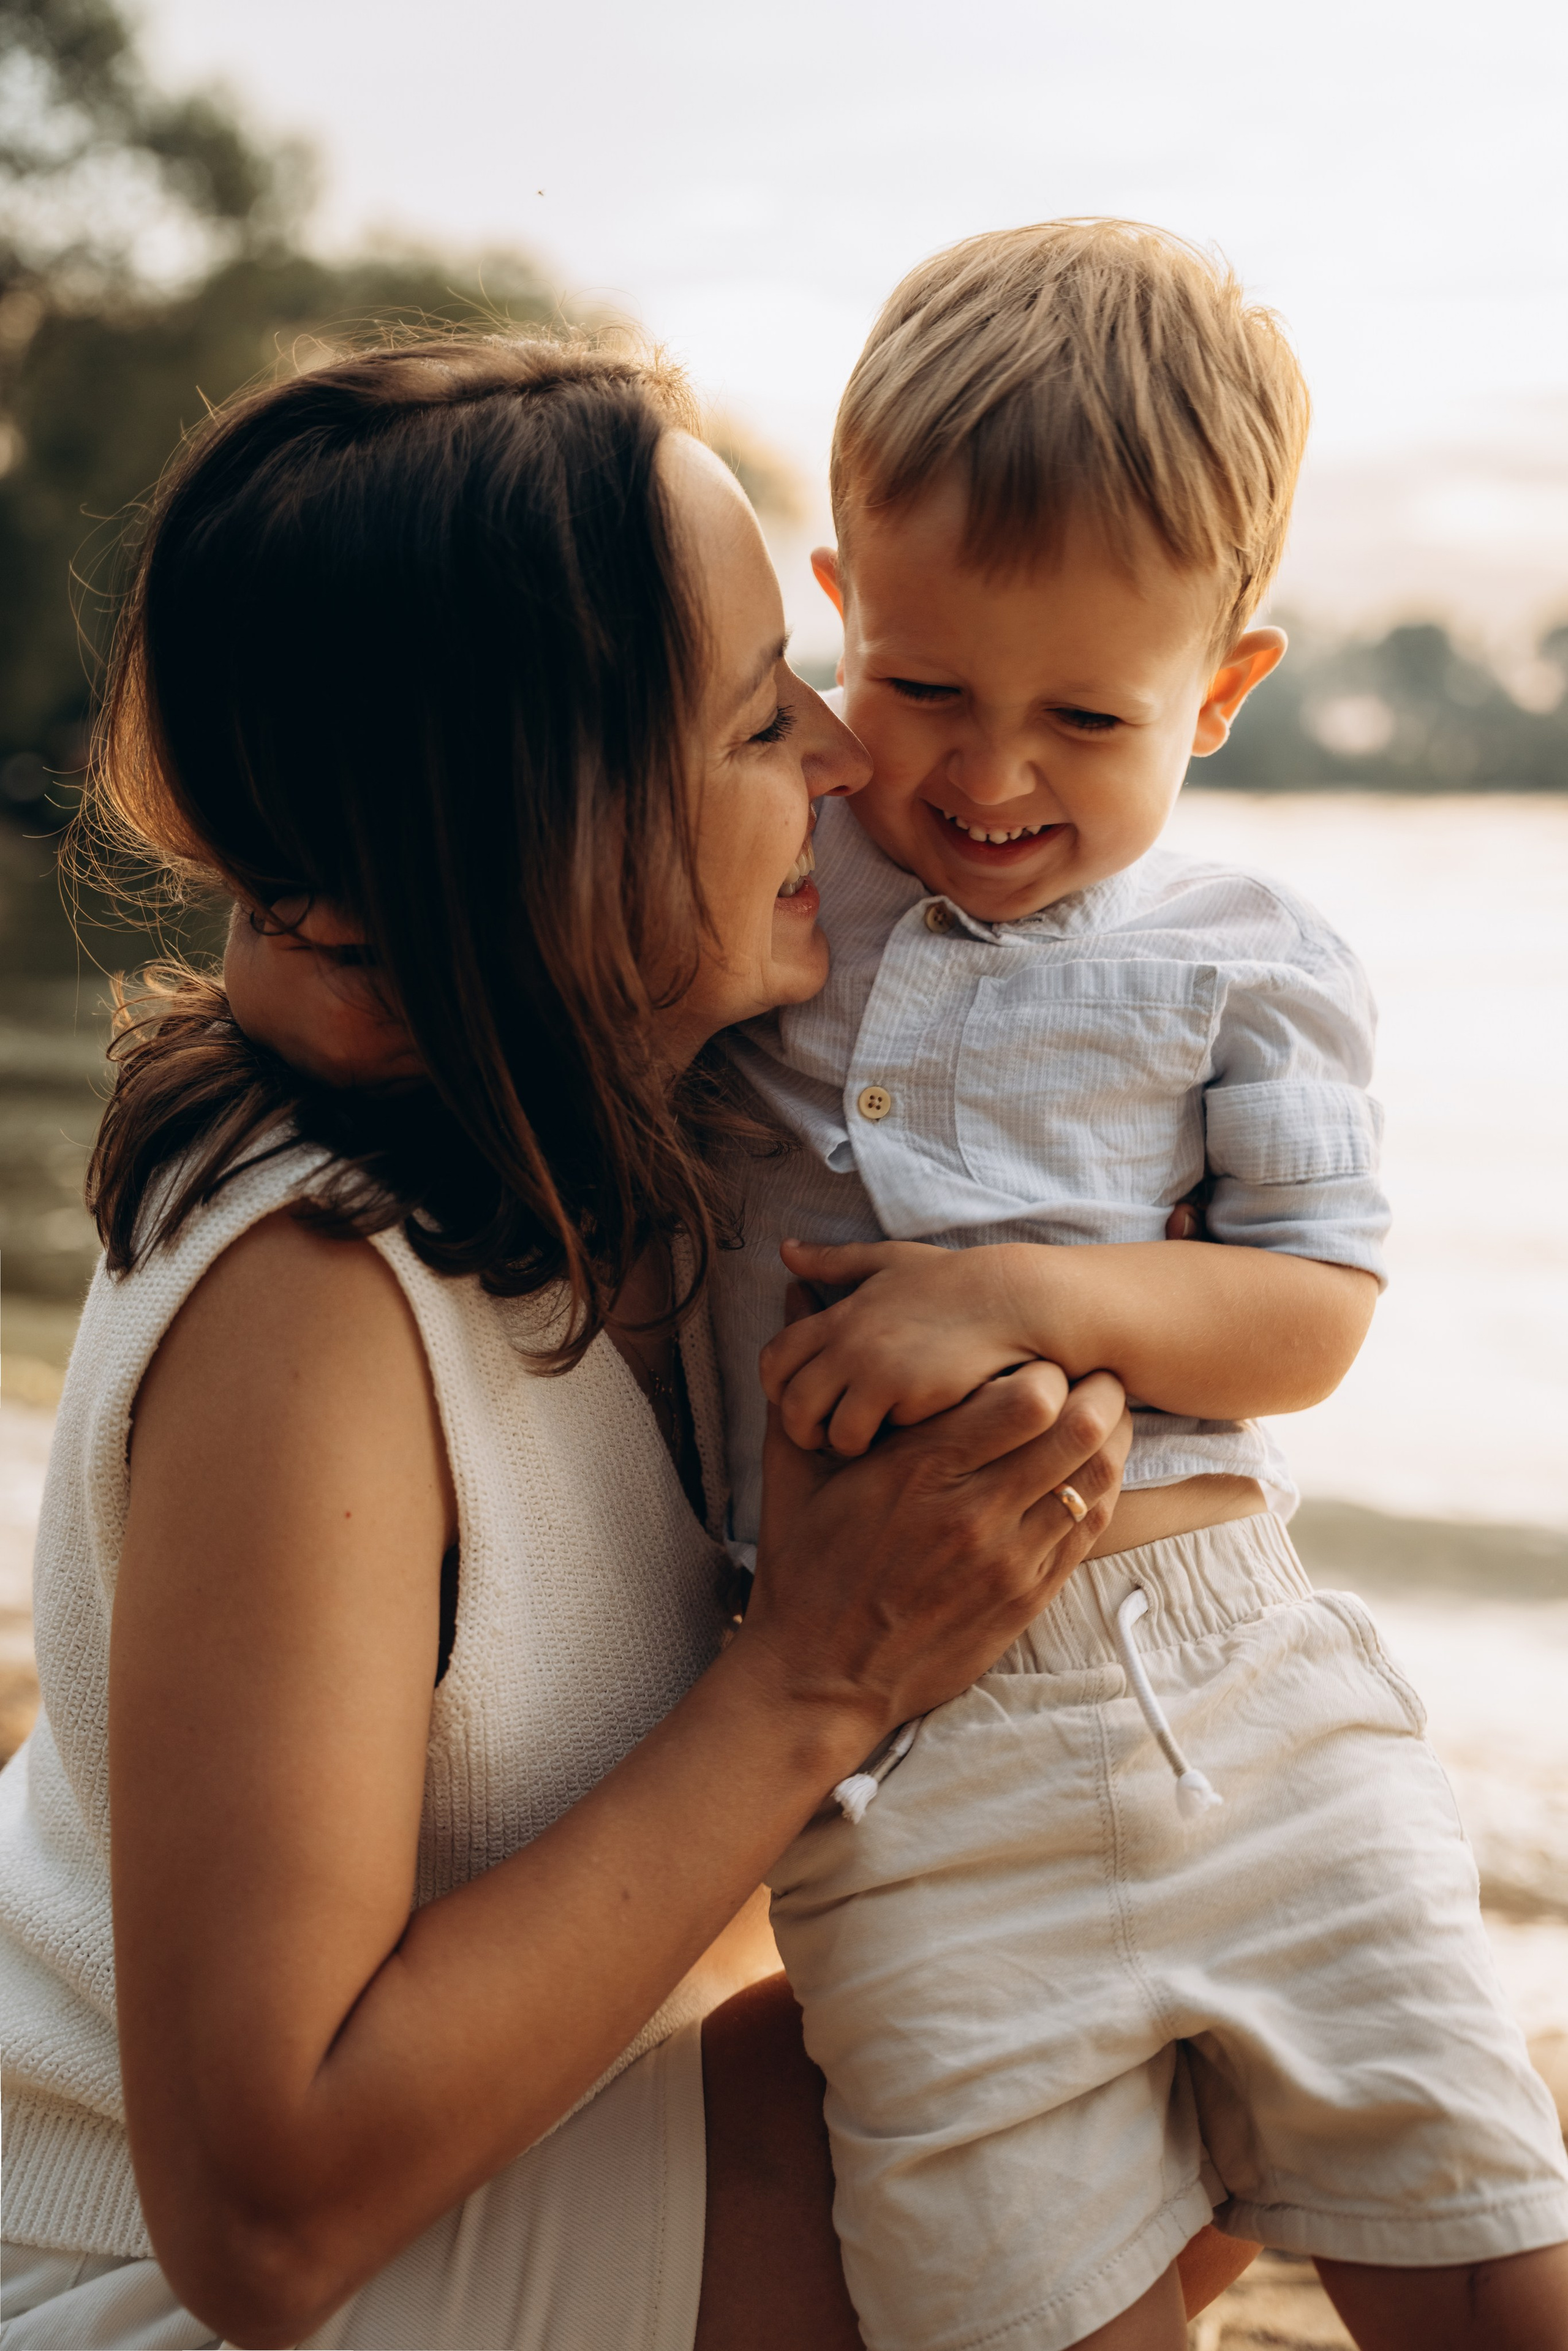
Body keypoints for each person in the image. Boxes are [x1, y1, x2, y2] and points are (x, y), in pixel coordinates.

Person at [0, 336, 1169, 2350]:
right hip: (156, 2272)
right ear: (533, 809)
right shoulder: (310, 1309)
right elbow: (256, 2224)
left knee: (1142, 2017)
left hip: (447, 2169)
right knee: (1092, 2134)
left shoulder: (632, 1128)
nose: (835, 753)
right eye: (746, 726)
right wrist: (815, 1675)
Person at [711, 222, 1568, 2349]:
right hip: (898, 1776)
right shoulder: (760, 878)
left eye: (1087, 717)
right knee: (1024, 2310)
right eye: (922, 690)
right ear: (839, 614)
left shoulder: (1246, 956)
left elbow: (1309, 1318)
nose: (989, 779)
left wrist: (1016, 1293)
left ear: (1225, 685)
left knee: (1480, 2248)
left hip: (1240, 1691)